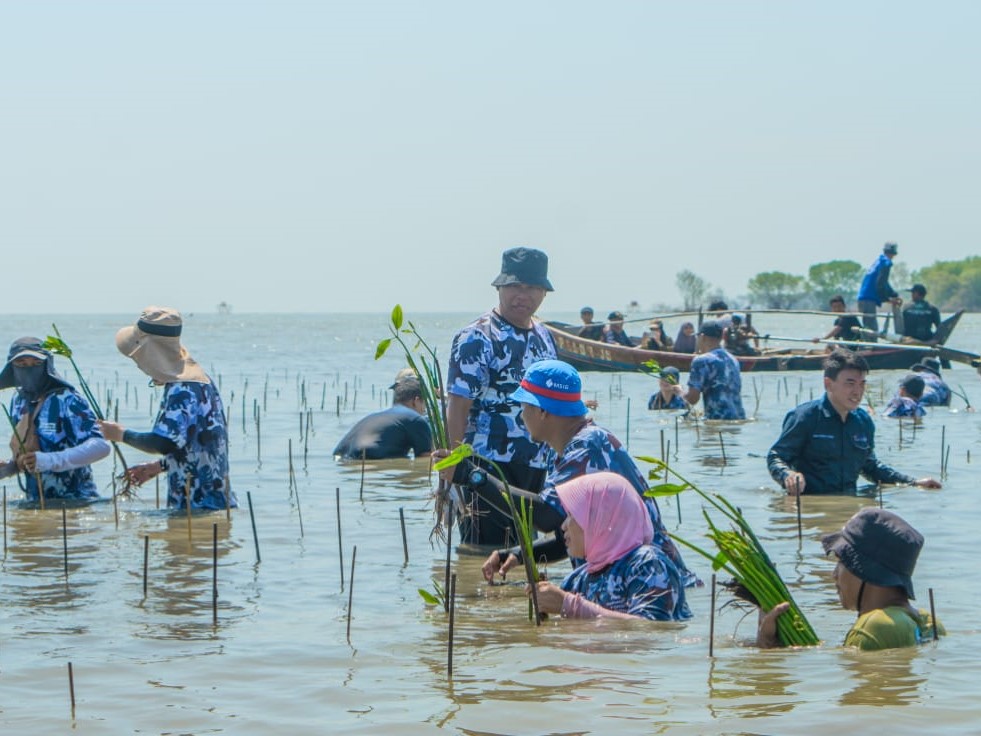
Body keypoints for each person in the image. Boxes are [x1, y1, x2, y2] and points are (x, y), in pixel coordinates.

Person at [476, 360, 694, 587]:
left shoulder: (588, 446)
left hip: (650, 584)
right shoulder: (564, 450)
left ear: (542, 411)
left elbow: (544, 516)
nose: (522, 417)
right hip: (625, 585)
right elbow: (568, 537)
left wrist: (473, 478)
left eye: (524, 408)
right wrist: (520, 554)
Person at [444, 247, 557, 544]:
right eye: (514, 287)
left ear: (544, 292)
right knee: (484, 554)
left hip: (535, 465)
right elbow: (457, 405)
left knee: (525, 556)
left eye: (531, 287)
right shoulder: (478, 337)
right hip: (487, 466)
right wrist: (453, 469)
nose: (523, 295)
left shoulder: (545, 336)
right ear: (499, 288)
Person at [98, 307, 237, 511]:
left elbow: (164, 442)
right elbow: (198, 444)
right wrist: (158, 467)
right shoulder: (200, 383)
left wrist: (120, 434)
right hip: (213, 504)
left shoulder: (182, 389)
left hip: (197, 508)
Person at [759, 508, 943, 650]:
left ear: (863, 569)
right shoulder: (929, 622)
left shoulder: (875, 626)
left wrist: (765, 645)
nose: (834, 574)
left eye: (840, 562)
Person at [767, 349, 941, 495]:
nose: (857, 392)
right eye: (850, 383)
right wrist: (787, 474)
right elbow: (777, 456)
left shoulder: (863, 421)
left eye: (862, 384)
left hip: (849, 501)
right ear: (829, 384)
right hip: (811, 503)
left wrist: (913, 482)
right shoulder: (805, 417)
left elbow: (871, 467)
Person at [528, 472, 692, 621]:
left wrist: (569, 605)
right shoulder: (577, 580)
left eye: (572, 515)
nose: (563, 526)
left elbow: (652, 628)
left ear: (600, 519)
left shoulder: (648, 565)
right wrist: (544, 605)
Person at [0, 337, 110, 503]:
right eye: (21, 364)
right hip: (36, 502)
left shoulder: (67, 399)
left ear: (47, 366)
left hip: (77, 502)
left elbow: (100, 447)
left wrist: (50, 461)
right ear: (12, 368)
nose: (28, 369)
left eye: (35, 363)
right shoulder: (18, 400)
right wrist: (10, 468)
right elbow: (31, 454)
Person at [332, 368, 432, 459]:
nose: (424, 410)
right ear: (416, 400)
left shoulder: (375, 416)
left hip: (341, 458)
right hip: (365, 461)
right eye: (424, 404)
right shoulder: (416, 419)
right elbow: (426, 460)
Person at [676, 320, 746, 420]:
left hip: (718, 419)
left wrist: (679, 390)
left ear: (702, 337)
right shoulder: (733, 359)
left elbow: (692, 399)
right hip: (739, 417)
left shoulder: (701, 361)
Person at [857, 242, 902, 338]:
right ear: (893, 254)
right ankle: (871, 348)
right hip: (868, 298)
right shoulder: (886, 263)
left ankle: (870, 346)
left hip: (864, 297)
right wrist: (887, 299)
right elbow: (880, 284)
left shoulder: (879, 261)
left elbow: (884, 282)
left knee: (869, 324)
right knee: (871, 327)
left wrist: (893, 294)